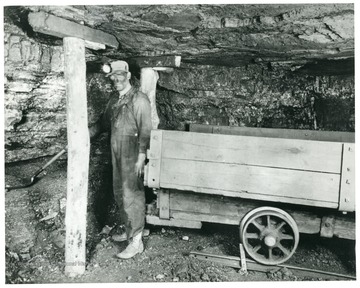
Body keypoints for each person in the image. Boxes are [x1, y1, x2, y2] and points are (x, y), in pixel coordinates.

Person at [89, 60, 152, 259]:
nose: (115, 79)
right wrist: (85, 133)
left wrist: (142, 156)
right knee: (119, 192)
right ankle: (129, 230)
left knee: (131, 194)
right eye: (112, 77)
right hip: (116, 151)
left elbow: (146, 130)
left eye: (119, 75)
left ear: (128, 76)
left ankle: (136, 242)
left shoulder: (139, 99)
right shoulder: (114, 99)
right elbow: (103, 124)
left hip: (132, 153)